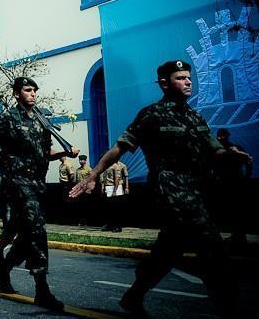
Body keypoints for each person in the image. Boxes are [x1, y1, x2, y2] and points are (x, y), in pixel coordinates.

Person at [71, 60, 249, 317]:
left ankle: (134, 295)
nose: (188, 82)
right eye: (180, 78)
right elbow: (119, 148)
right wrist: (93, 176)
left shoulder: (193, 116)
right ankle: (228, 306)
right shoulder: (152, 115)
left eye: (188, 77)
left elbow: (215, 150)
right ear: (164, 83)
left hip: (197, 191)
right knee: (212, 249)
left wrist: (231, 154)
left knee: (169, 250)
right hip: (170, 191)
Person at [0, 76, 79, 311]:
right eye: (28, 90)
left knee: (27, 237)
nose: (33, 94)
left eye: (35, 90)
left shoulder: (41, 119)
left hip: (37, 184)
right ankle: (42, 289)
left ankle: (4, 267)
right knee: (37, 231)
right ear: (17, 94)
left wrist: (64, 154)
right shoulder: (8, 118)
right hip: (17, 185)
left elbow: (44, 150)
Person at [215, 128, 252, 245]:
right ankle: (237, 236)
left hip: (234, 183)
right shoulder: (219, 151)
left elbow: (248, 161)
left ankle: (239, 237)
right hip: (226, 183)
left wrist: (247, 177)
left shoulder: (235, 149)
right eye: (220, 136)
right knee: (233, 211)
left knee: (237, 211)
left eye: (222, 136)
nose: (221, 138)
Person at [100, 158, 128, 232]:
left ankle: (117, 226)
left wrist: (114, 191)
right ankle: (109, 225)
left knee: (116, 209)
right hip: (108, 187)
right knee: (109, 209)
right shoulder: (105, 166)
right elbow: (104, 178)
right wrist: (103, 187)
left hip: (115, 187)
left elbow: (117, 179)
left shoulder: (115, 166)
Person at [58, 155, 75, 223]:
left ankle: (69, 219)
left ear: (64, 157)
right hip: (62, 184)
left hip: (67, 184)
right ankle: (64, 219)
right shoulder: (61, 165)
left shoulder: (68, 164)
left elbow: (72, 174)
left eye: (60, 156)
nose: (59, 158)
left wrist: (69, 183)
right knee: (63, 201)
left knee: (68, 201)